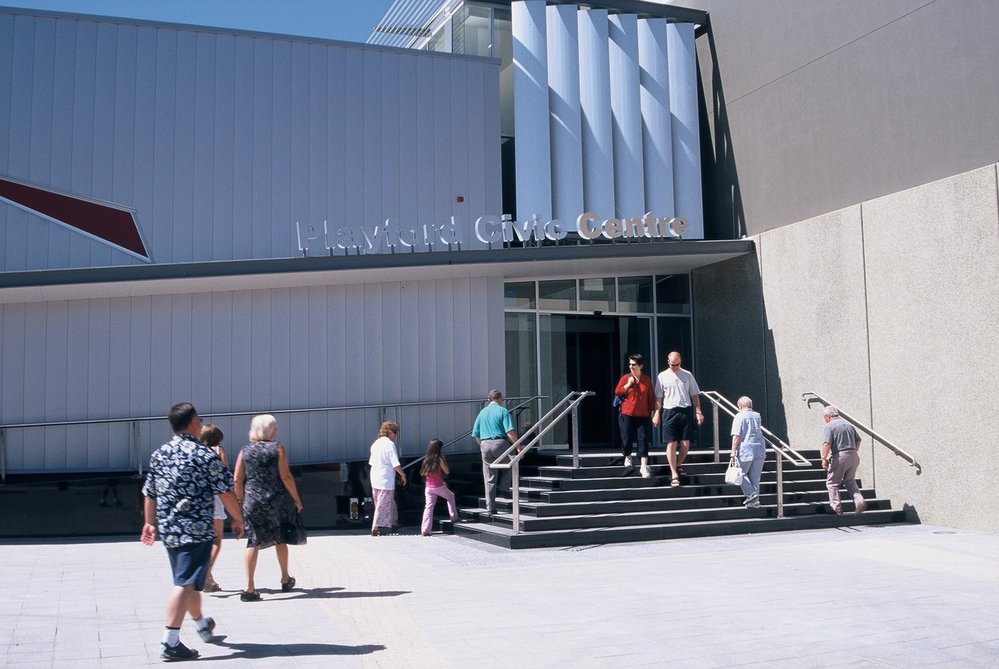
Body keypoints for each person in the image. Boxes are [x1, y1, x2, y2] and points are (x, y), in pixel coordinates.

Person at [141, 402, 245, 662]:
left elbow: (149, 492)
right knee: (184, 583)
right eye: (198, 419)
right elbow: (225, 490)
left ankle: (200, 623)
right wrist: (238, 518)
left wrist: (149, 522)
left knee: (188, 581)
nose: (201, 423)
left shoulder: (159, 453)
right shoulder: (204, 455)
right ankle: (170, 641)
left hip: (169, 529)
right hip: (195, 529)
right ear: (192, 423)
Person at [233, 414, 305, 602]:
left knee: (253, 541)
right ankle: (285, 578)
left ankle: (249, 587)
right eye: (275, 428)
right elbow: (286, 477)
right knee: (280, 537)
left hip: (252, 501)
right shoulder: (277, 448)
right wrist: (297, 499)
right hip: (275, 500)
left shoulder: (245, 451)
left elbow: (237, 479)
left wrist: (240, 502)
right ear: (270, 430)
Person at [652, 351, 704, 488]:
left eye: (678, 364)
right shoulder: (662, 376)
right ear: (668, 362)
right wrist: (657, 413)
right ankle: (674, 473)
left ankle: (677, 464)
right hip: (669, 411)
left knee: (686, 444)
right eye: (673, 364)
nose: (675, 367)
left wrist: (698, 411)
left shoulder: (687, 375)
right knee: (671, 443)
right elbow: (658, 397)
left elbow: (694, 395)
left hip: (685, 410)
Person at [471, 389, 519, 515]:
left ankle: (490, 507)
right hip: (500, 443)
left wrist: (483, 445)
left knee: (489, 476)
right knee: (512, 463)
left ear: (489, 400)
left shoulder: (482, 413)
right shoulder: (503, 411)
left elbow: (476, 435)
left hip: (485, 444)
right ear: (500, 399)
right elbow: (510, 432)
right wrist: (519, 447)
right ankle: (503, 490)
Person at [614, 353, 656, 478]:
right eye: (630, 364)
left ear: (641, 366)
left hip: (642, 414)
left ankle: (643, 466)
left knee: (643, 439)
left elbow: (651, 398)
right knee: (626, 437)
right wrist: (628, 384)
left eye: (634, 364)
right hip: (627, 412)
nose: (631, 367)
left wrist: (653, 414)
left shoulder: (646, 380)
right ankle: (628, 457)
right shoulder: (625, 378)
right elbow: (617, 392)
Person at [821, 406, 866, 515]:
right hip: (853, 455)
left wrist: (824, 459)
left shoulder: (830, 426)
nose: (824, 419)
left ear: (828, 416)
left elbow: (827, 444)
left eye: (824, 417)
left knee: (832, 483)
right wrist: (853, 451)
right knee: (850, 481)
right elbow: (858, 440)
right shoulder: (849, 425)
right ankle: (859, 500)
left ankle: (837, 507)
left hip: (840, 456)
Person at [199, 424, 228, 592]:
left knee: (204, 540)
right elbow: (224, 475)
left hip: (200, 498)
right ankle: (206, 572)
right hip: (216, 498)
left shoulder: (197, 452)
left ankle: (209, 579)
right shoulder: (218, 451)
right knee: (216, 540)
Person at [369, 421, 407, 536]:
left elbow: (371, 462)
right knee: (382, 504)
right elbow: (395, 463)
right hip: (385, 478)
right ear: (390, 432)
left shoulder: (376, 443)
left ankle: (393, 522)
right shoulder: (389, 445)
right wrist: (403, 475)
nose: (395, 435)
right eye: (394, 432)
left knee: (386, 502)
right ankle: (375, 527)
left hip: (375, 477)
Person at [730, 396, 766, 508]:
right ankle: (754, 502)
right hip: (759, 449)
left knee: (740, 473)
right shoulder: (757, 416)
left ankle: (752, 494)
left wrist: (733, 451)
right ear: (750, 405)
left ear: (740, 406)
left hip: (746, 449)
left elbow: (737, 435)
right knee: (755, 477)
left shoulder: (739, 416)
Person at [420, 437, 459, 536]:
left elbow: (424, 473)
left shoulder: (427, 459)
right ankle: (454, 518)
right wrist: (444, 460)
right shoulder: (439, 458)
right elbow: (447, 471)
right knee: (451, 496)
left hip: (428, 487)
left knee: (428, 507)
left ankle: (425, 529)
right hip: (439, 486)